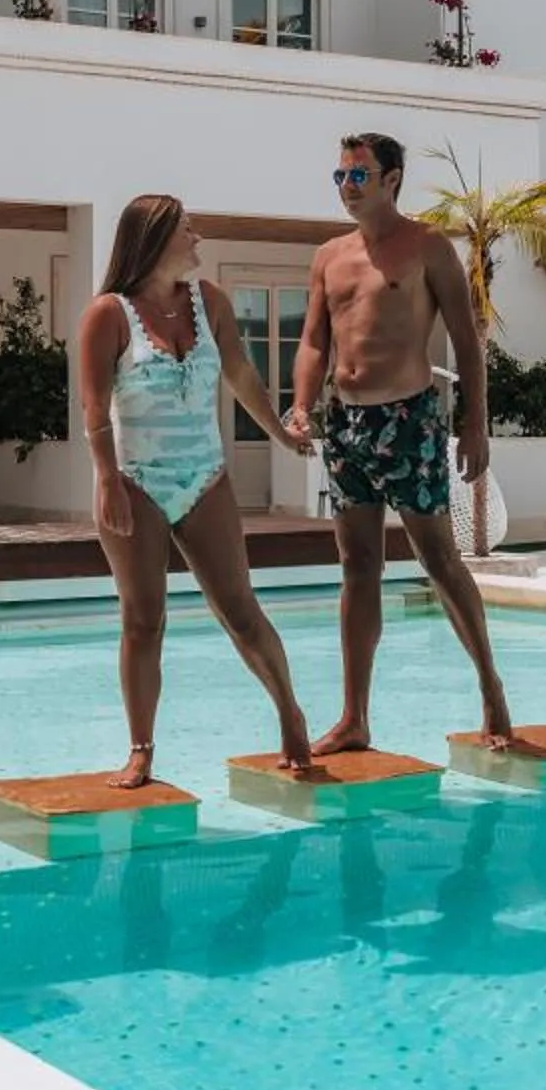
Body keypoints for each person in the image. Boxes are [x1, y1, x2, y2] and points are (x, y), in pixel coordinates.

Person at [285, 130, 513, 752]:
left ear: (391, 181)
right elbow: (312, 342)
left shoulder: (429, 247)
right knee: (358, 567)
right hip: (346, 424)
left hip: (409, 421)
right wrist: (302, 405)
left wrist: (473, 424)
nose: (347, 188)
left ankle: (491, 689)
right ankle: (354, 716)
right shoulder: (329, 256)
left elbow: (466, 342)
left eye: (358, 176)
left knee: (439, 561)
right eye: (340, 177)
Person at [78, 193, 315, 788]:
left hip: (205, 477)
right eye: (188, 231)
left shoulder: (210, 305)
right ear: (155, 241)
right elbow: (93, 409)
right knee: (143, 620)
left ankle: (290, 714)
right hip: (135, 482)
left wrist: (282, 438)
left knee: (240, 611)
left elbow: (240, 375)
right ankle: (141, 750)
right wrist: (107, 478)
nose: (198, 240)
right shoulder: (108, 314)